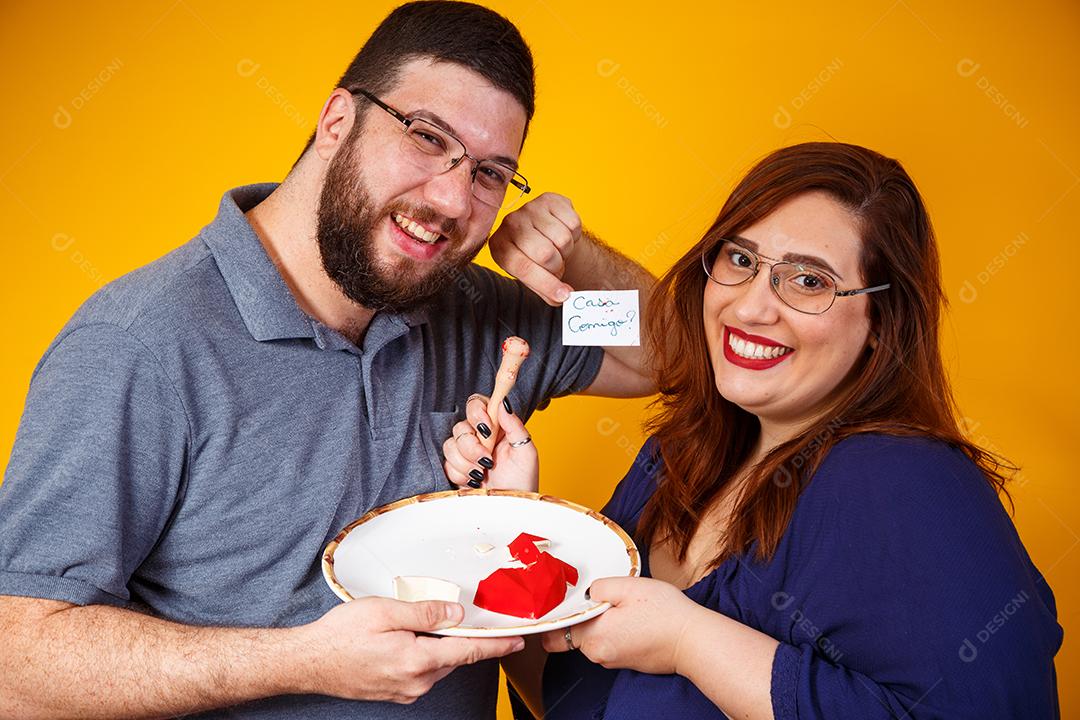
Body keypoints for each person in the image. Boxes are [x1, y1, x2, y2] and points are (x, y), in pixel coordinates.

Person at [0, 3, 656, 718]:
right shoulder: (140, 345)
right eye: (427, 137)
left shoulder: (479, 308)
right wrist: (301, 659)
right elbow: (18, 661)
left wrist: (579, 257)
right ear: (336, 120)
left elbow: (678, 358)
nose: (452, 199)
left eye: (491, 173)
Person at [445, 142, 1062, 718]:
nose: (749, 307)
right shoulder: (673, 457)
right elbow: (565, 699)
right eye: (740, 259)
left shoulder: (907, 482)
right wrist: (510, 516)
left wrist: (688, 640)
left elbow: (658, 348)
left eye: (808, 280)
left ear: (882, 319)